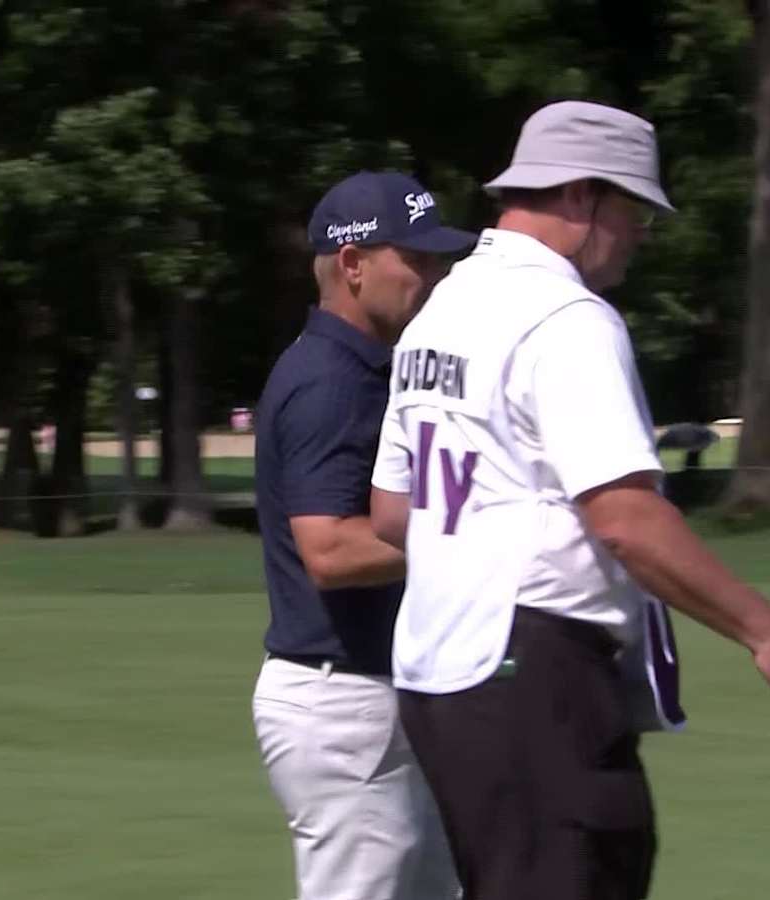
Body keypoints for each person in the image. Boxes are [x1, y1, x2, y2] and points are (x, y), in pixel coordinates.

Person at [368, 101, 770, 900]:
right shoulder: (567, 318)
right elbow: (626, 519)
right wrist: (767, 634)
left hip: (438, 675)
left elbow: (391, 511)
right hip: (532, 670)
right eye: (635, 211)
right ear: (583, 196)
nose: (643, 234)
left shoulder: (439, 312)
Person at [252, 170, 476, 900]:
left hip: (375, 698)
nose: (436, 275)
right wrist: (476, 535)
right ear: (352, 266)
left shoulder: (370, 371)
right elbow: (330, 548)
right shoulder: (332, 381)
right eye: (416, 260)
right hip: (343, 705)